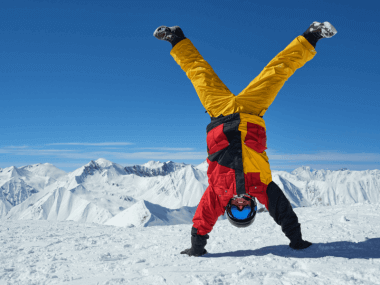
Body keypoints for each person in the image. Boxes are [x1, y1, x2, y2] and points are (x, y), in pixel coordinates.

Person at [153, 22, 337, 256]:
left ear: (229, 209)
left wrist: (197, 248)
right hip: (252, 111)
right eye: (245, 209)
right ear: (252, 207)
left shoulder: (217, 193)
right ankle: (312, 35)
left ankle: (176, 38)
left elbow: (203, 219)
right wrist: (296, 240)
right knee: (277, 71)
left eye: (237, 210)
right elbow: (283, 213)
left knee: (199, 73)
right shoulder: (263, 188)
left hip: (219, 112)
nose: (241, 204)